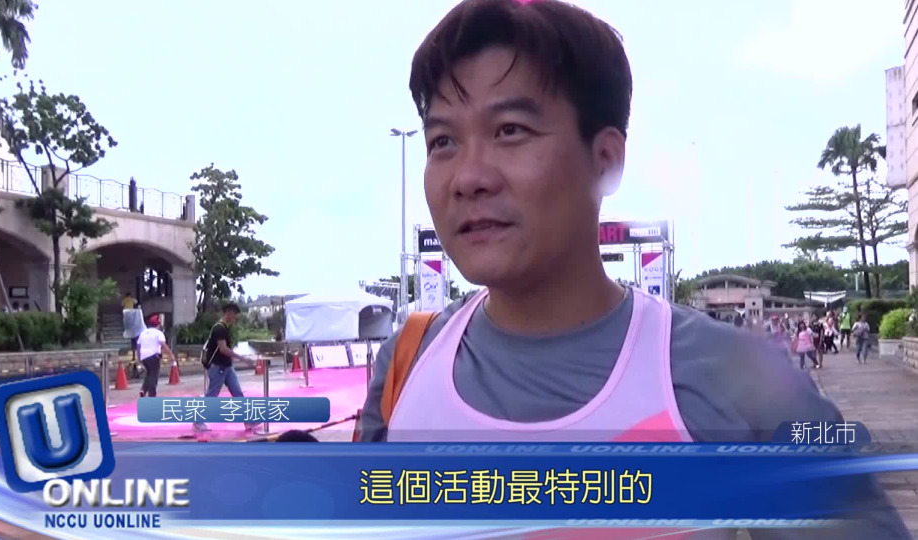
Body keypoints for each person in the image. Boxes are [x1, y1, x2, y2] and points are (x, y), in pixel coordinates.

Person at [356, 1, 907, 537]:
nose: (468, 177)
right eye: (443, 141)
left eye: (510, 131)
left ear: (606, 158)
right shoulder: (407, 361)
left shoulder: (733, 378)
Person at [193, 302, 260, 434]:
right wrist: (242, 359)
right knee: (212, 395)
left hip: (226, 366)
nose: (235, 317)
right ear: (228, 313)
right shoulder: (220, 329)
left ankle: (248, 420)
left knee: (238, 394)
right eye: (234, 314)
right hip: (218, 367)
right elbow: (223, 349)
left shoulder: (224, 328)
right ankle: (198, 421)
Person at [137, 314, 175, 398]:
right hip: (154, 356)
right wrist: (171, 355)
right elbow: (163, 345)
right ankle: (152, 394)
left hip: (144, 356)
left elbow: (138, 346)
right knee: (154, 375)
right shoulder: (159, 333)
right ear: (158, 324)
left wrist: (139, 357)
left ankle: (143, 389)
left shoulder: (143, 333)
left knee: (149, 373)